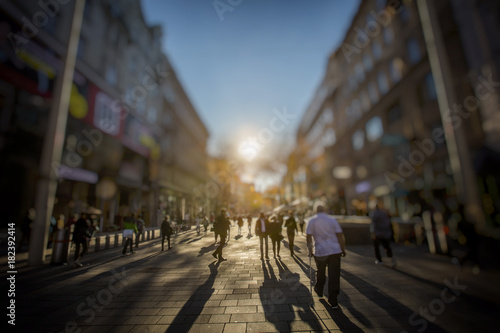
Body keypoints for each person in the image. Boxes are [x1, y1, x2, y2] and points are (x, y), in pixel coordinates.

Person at [307, 205, 346, 309]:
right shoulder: (332, 220)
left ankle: (319, 289)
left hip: (320, 251)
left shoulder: (312, 221)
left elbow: (308, 236)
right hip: (334, 250)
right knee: (334, 275)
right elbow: (339, 235)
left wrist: (310, 250)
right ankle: (333, 300)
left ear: (316, 210)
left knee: (320, 271)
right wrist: (343, 248)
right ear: (325, 210)